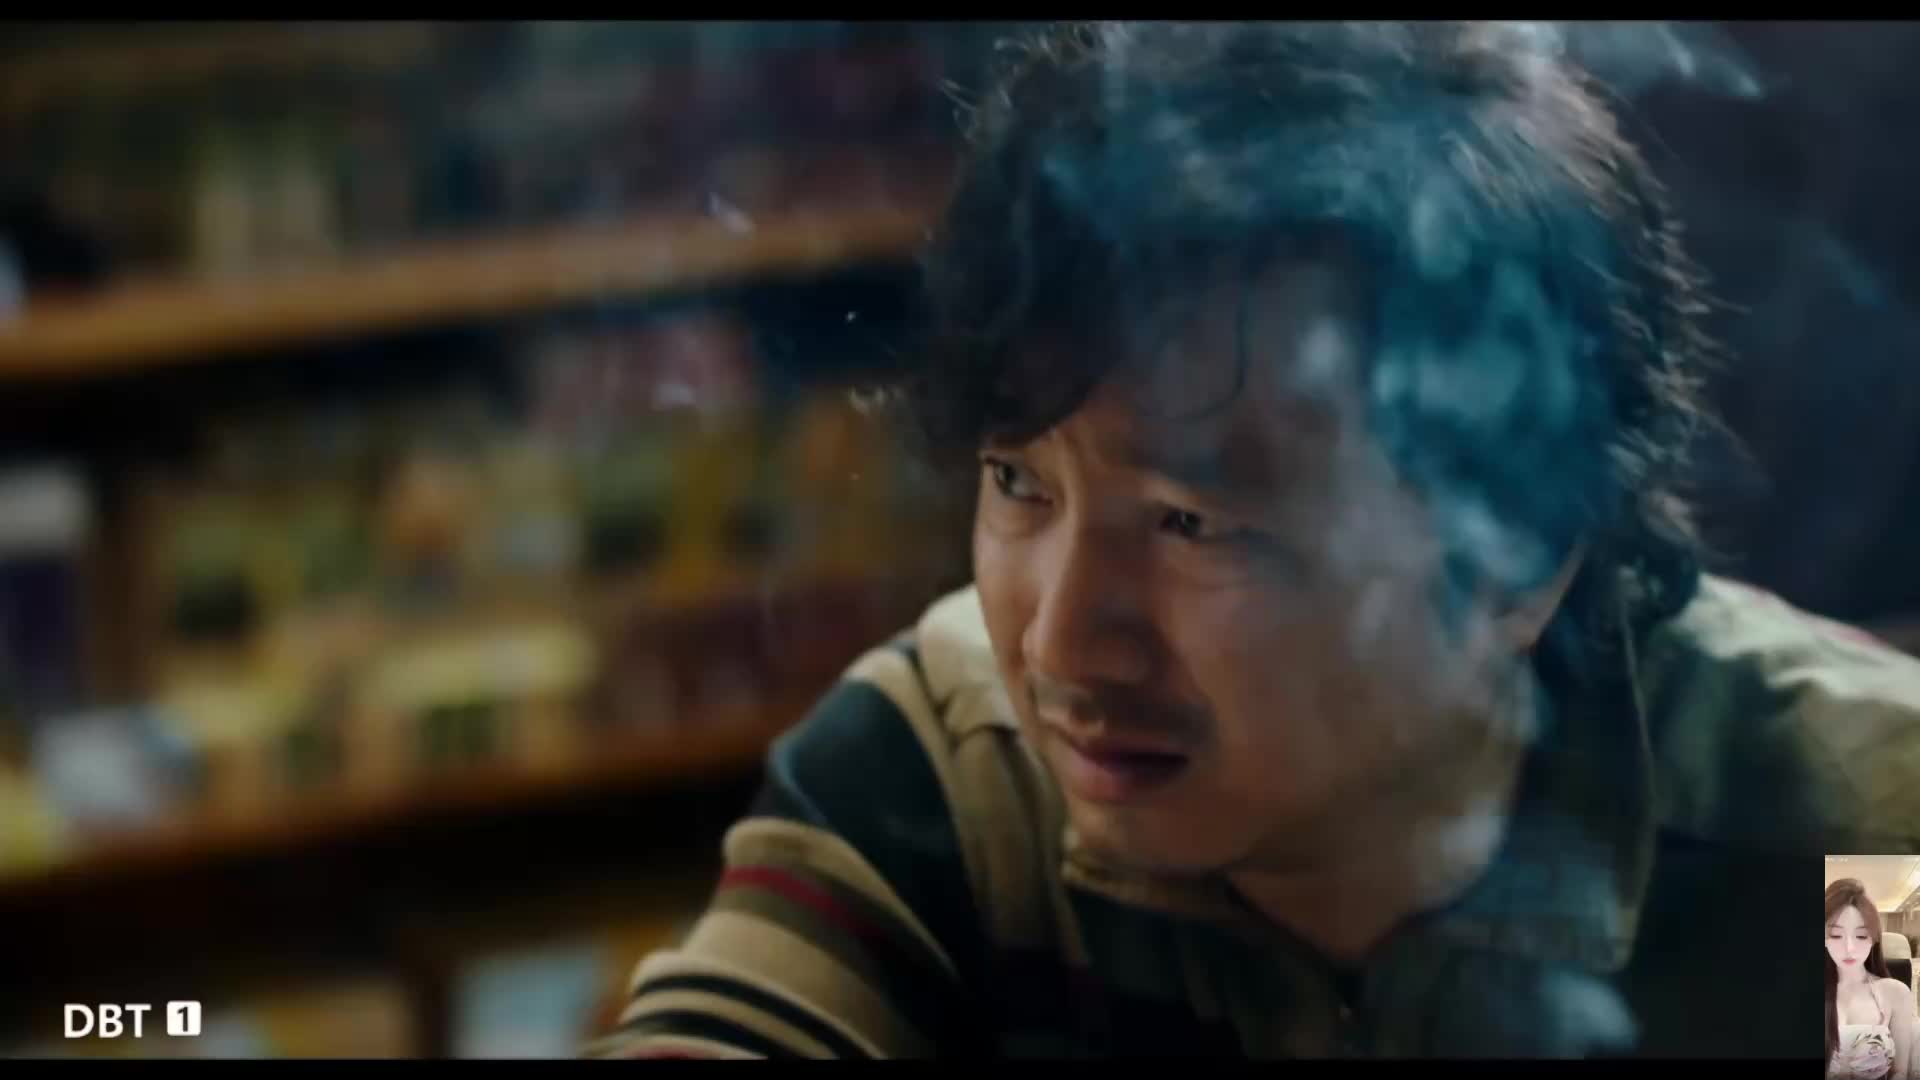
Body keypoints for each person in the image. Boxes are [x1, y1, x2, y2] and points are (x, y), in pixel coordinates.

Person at [587, 21, 1920, 1059]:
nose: (1061, 645)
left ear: (1516, 549)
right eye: (1018, 482)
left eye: (1190, 522)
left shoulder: (1868, 855)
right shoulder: (941, 772)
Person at [1828, 878, 1916, 1079]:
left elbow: (1900, 1072)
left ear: (1873, 939)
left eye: (1860, 936)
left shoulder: (1895, 993)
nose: (1849, 948)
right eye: (1836, 935)